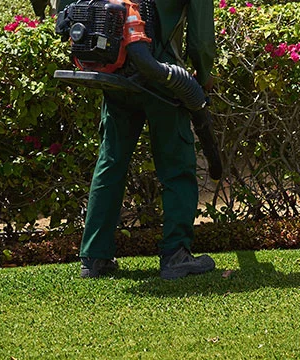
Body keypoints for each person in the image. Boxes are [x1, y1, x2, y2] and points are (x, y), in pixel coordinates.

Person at [75, 0, 218, 280]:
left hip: (114, 73)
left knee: (111, 162)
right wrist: (203, 76)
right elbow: (201, 42)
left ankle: (94, 257)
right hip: (164, 79)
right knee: (176, 167)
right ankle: (176, 256)